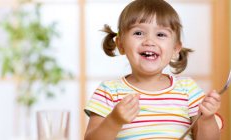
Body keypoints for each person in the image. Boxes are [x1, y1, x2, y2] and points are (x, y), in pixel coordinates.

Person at [84, 0, 223, 139]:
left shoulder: (188, 89)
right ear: (121, 45)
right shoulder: (109, 91)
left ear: (175, 49)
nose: (149, 41)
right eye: (138, 33)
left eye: (161, 35)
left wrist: (207, 119)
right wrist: (114, 121)